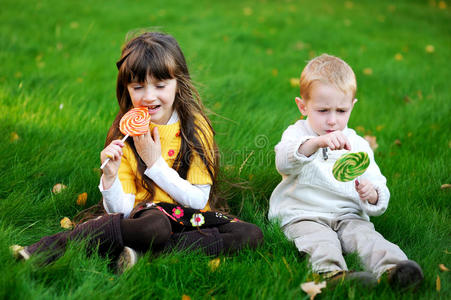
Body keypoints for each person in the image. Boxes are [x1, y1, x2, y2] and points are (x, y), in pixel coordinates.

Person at [11, 31, 263, 271]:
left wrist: (155, 165)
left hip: (192, 217)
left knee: (250, 234)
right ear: (126, 89)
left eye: (160, 85)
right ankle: (54, 246)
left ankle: (142, 253)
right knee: (154, 227)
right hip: (148, 217)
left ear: (178, 83)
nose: (149, 96)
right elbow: (121, 211)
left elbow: (198, 200)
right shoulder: (125, 136)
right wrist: (109, 178)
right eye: (138, 87)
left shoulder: (195, 130)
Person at [268, 54, 423, 290]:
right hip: (304, 213)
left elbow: (377, 183)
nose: (332, 121)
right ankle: (331, 275)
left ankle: (395, 270)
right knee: (320, 241)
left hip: (347, 215)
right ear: (303, 106)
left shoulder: (357, 144)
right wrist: (317, 143)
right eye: (323, 110)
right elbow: (284, 161)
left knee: (366, 238)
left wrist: (372, 194)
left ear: (352, 106)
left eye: (341, 111)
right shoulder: (297, 134)